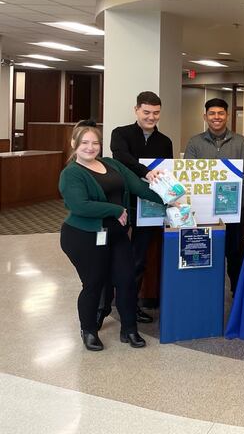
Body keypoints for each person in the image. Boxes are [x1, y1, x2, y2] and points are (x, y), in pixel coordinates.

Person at [59, 125, 169, 351]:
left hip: (116, 235)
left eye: (95, 143)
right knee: (94, 284)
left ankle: (129, 329)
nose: (90, 147)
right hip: (84, 236)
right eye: (84, 143)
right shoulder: (71, 173)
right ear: (74, 145)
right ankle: (88, 330)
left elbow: (138, 186)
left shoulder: (112, 164)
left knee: (127, 282)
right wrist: (115, 210)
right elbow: (79, 205)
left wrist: (170, 200)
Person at [97, 91, 174, 327]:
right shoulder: (120, 134)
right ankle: (101, 309)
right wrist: (145, 172)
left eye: (156, 113)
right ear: (136, 110)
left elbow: (167, 174)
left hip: (149, 208)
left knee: (139, 260)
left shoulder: (165, 142)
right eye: (146, 112)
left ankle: (131, 306)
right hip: (122, 205)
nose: (151, 117)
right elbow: (121, 158)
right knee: (111, 258)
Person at [184, 98, 244, 293]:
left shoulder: (240, 141)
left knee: (234, 252)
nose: (217, 117)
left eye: (221, 113)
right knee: (205, 250)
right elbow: (190, 174)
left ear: (227, 116)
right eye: (212, 113)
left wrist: (225, 197)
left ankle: (236, 291)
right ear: (205, 117)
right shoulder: (195, 142)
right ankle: (205, 291)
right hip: (202, 211)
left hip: (233, 209)